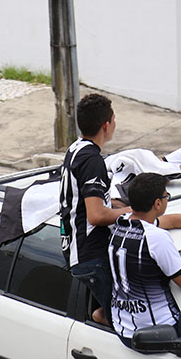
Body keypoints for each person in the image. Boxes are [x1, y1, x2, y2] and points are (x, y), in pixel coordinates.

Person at [108, 173, 181, 348]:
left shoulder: (121, 223)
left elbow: (171, 221)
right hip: (155, 330)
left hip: (122, 323)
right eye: (166, 196)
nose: (167, 199)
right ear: (158, 203)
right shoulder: (156, 238)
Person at [60, 93, 131, 326]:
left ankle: (101, 314)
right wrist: (131, 211)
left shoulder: (76, 149)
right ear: (106, 125)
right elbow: (96, 215)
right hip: (90, 256)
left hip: (75, 249)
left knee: (112, 312)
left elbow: (86, 201)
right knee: (125, 320)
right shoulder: (92, 160)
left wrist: (115, 205)